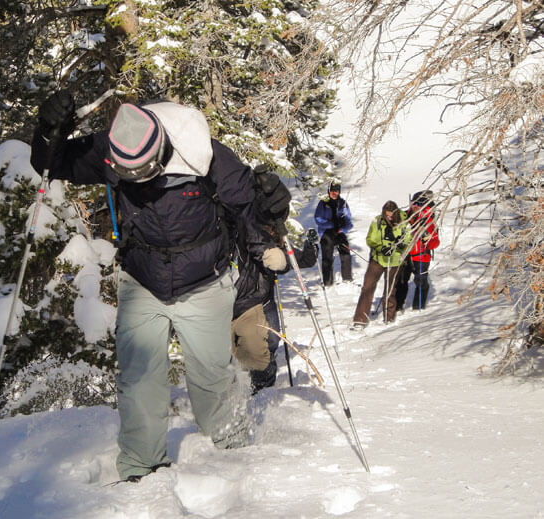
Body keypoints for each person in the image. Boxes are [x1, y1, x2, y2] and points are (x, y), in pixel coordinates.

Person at [31, 92, 287, 482]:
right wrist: (50, 131)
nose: (139, 183)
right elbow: (50, 164)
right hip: (142, 279)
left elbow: (248, 204)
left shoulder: (205, 151)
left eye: (146, 172)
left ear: (162, 149)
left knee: (211, 376)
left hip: (204, 282)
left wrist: (272, 205)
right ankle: (140, 467)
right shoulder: (111, 145)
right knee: (138, 378)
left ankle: (230, 453)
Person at [229, 166, 318, 393]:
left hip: (260, 299)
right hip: (238, 300)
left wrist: (310, 250)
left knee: (268, 342)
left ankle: (260, 384)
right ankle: (248, 384)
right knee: (253, 344)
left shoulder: (271, 235)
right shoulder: (242, 225)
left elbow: (291, 258)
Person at [351, 200, 412, 328]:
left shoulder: (404, 222)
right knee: (367, 286)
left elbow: (408, 240)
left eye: (391, 215)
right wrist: (380, 247)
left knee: (390, 290)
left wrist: (401, 245)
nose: (389, 217)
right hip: (378, 258)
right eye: (387, 215)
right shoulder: (377, 221)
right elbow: (370, 239)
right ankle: (360, 319)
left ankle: (389, 317)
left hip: (395, 261)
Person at [395, 190, 440, 312]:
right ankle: (398, 307)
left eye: (419, 203)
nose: (415, 206)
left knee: (420, 281)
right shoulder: (404, 216)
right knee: (401, 281)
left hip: (421, 256)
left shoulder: (428, 220)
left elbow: (435, 243)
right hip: (405, 254)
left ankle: (418, 308)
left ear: (425, 206)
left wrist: (426, 236)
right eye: (413, 202)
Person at [314, 182, 353, 286]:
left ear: (339, 192)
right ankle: (327, 281)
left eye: (336, 191)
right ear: (329, 191)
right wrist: (331, 224)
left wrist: (343, 229)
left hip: (339, 232)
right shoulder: (323, 203)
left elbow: (349, 221)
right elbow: (318, 219)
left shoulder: (342, 203)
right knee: (327, 256)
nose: (334, 193)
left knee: (346, 252)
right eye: (332, 191)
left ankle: (347, 278)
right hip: (326, 232)